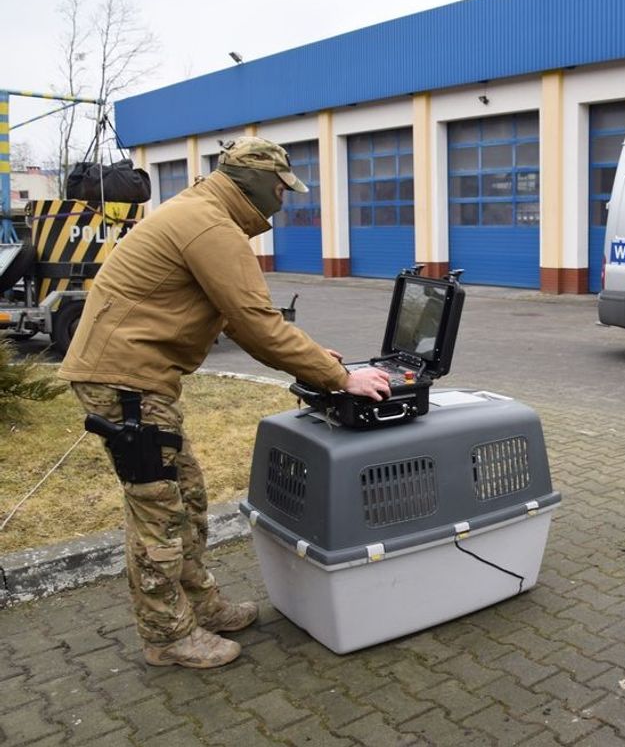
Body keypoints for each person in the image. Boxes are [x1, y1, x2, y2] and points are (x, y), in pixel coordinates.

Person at [58, 137, 392, 669]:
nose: (284, 200)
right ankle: (168, 635)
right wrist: (336, 377)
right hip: (125, 381)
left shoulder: (204, 213)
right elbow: (255, 324)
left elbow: (247, 321)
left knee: (186, 497)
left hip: (138, 379)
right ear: (258, 182)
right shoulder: (211, 226)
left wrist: (313, 358)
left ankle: (201, 605)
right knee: (158, 512)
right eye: (282, 188)